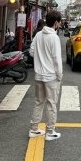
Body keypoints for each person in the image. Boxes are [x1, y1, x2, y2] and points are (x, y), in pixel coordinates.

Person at [29, 10, 63, 141]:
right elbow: (57, 59)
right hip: (51, 76)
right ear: (55, 23)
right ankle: (50, 131)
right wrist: (59, 75)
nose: (59, 24)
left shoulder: (38, 35)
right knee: (51, 103)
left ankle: (34, 129)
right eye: (59, 22)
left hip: (39, 75)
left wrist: (40, 58)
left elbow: (31, 52)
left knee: (39, 102)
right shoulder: (54, 37)